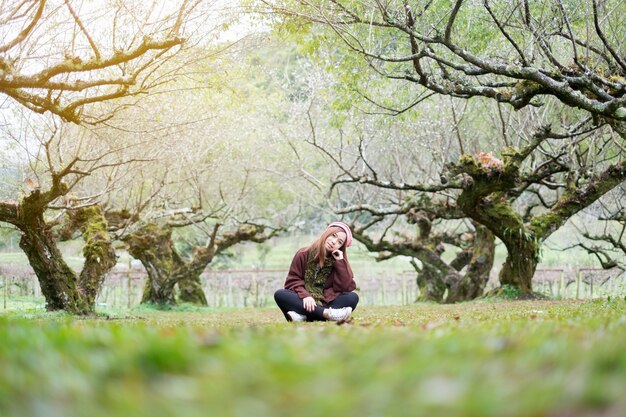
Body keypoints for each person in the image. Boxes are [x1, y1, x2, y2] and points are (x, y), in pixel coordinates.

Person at [274, 221, 359, 322]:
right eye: (333, 236)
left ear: (341, 247)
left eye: (339, 242)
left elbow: (345, 287)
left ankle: (304, 316)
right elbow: (293, 281)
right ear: (326, 234)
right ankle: (327, 314)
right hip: (303, 300)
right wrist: (306, 296)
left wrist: (340, 262)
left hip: (325, 301)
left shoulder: (337, 262)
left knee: (352, 297)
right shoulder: (303, 254)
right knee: (280, 295)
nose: (333, 241)